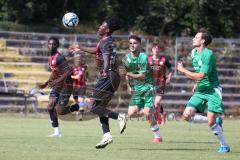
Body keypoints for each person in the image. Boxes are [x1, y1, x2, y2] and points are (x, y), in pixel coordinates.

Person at [69, 17, 127, 149]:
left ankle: (120, 117)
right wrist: (80, 47)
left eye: (102, 25)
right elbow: (96, 51)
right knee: (101, 107)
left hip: (109, 75)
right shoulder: (107, 40)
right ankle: (107, 136)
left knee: (92, 106)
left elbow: (106, 59)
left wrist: (105, 71)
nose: (99, 27)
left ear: (107, 29)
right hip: (113, 75)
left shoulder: (105, 42)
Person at [177, 28, 230, 153]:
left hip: (212, 90)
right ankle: (215, 121)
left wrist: (183, 70)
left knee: (211, 120)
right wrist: (196, 83)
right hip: (201, 90)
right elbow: (199, 72)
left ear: (203, 41)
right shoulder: (194, 53)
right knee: (186, 116)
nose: (193, 39)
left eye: (196, 37)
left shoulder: (209, 54)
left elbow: (201, 75)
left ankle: (225, 146)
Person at [38, 37, 82, 137]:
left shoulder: (59, 57)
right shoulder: (50, 58)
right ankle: (57, 132)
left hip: (66, 86)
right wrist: (46, 82)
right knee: (50, 107)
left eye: (53, 44)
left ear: (57, 46)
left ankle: (80, 106)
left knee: (60, 111)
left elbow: (69, 71)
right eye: (49, 44)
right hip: (58, 86)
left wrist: (57, 80)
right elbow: (55, 72)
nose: (51, 46)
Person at [122, 35, 162, 143]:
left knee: (148, 113)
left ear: (140, 45)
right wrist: (128, 86)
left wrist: (129, 74)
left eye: (135, 43)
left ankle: (157, 136)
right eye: (130, 43)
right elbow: (126, 74)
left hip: (148, 87)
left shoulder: (143, 57)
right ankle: (152, 115)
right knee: (130, 114)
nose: (132, 45)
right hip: (137, 89)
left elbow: (142, 76)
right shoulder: (126, 58)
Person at [148, 43, 172, 125]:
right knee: (153, 103)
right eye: (154, 48)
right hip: (150, 84)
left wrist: (169, 77)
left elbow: (170, 69)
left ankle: (159, 118)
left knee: (157, 102)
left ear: (159, 50)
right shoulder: (148, 59)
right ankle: (162, 114)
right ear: (152, 50)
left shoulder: (164, 60)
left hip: (160, 83)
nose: (156, 50)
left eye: (157, 48)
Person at [71, 54, 88, 120]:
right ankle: (79, 111)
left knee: (80, 101)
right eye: (77, 59)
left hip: (82, 86)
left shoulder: (83, 67)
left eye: (79, 59)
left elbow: (79, 76)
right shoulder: (72, 67)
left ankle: (80, 113)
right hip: (74, 87)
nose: (78, 60)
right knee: (76, 101)